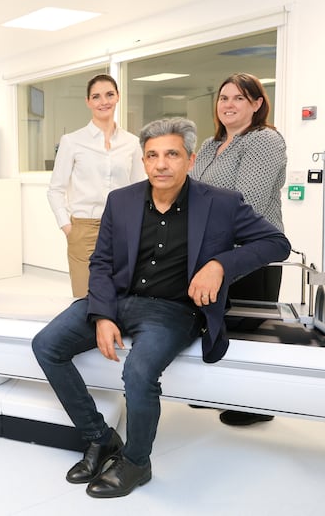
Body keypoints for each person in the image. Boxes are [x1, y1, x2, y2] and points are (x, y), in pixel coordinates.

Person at [31, 118, 290, 498]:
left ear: (190, 159)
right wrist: (102, 315)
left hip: (174, 309)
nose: (161, 164)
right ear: (143, 161)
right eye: (152, 156)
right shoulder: (121, 201)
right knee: (46, 345)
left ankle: (137, 462)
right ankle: (100, 438)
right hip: (118, 299)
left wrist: (220, 266)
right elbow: (101, 263)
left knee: (138, 371)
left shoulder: (221, 203)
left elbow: (277, 243)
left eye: (172, 154)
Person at [190, 72, 287, 427]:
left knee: (249, 329)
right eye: (224, 98)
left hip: (252, 252)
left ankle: (256, 403)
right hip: (214, 251)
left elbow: (248, 201)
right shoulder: (210, 144)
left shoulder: (264, 140)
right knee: (217, 323)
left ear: (257, 104)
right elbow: (193, 192)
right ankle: (217, 392)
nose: (228, 105)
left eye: (239, 98)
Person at [46, 74, 144, 297]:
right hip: (84, 229)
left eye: (109, 94)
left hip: (122, 228)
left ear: (118, 97)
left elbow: (140, 189)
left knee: (121, 296)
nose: (104, 101)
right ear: (88, 101)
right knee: (86, 297)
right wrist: (68, 228)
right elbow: (55, 190)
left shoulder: (131, 143)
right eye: (96, 96)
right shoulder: (72, 141)